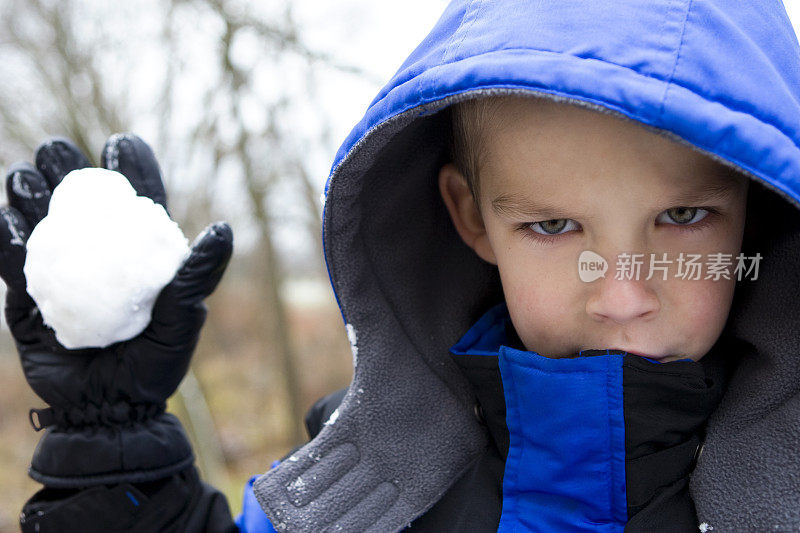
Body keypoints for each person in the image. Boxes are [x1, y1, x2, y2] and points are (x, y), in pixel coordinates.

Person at [5, 0, 800, 530]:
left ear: (757, 206)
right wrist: (113, 455)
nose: (624, 295)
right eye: (554, 225)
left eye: (684, 216)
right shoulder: (369, 487)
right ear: (469, 215)